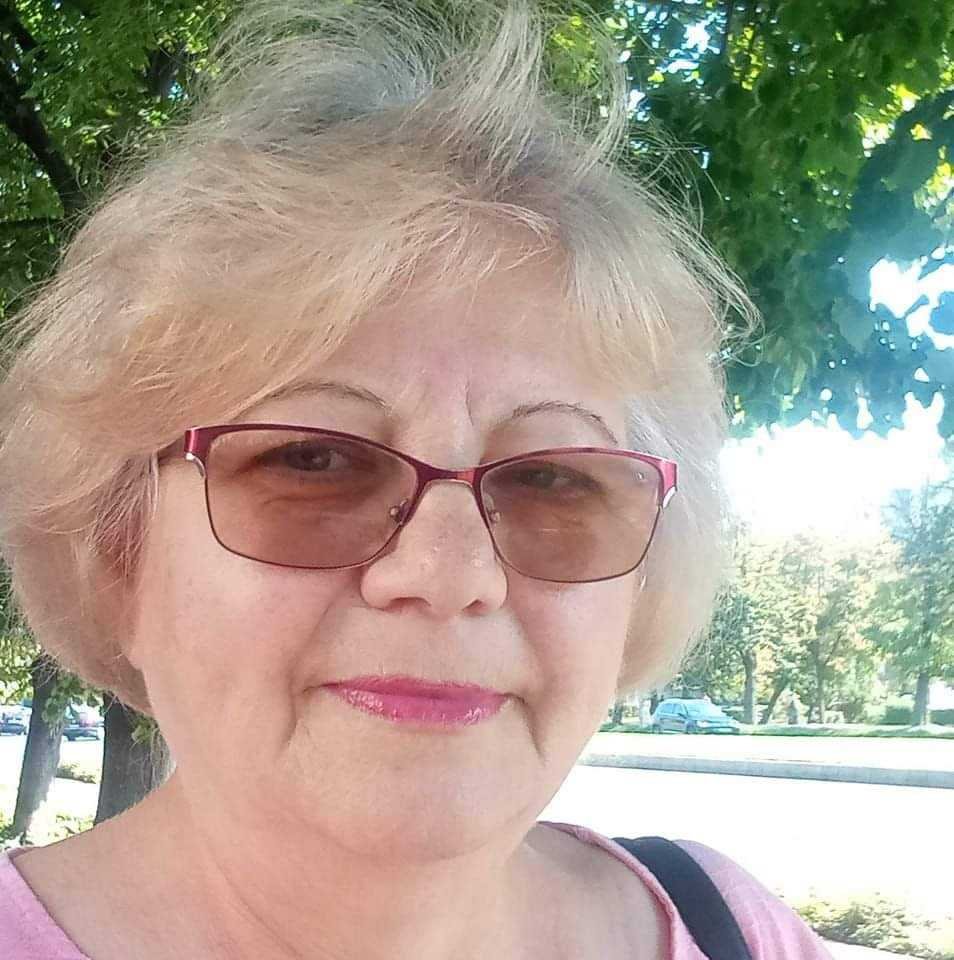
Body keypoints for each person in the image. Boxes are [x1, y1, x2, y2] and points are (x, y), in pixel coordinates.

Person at [0, 1, 833, 957]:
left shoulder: (735, 929)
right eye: (312, 460)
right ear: (118, 555)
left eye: (551, 479)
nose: (449, 574)